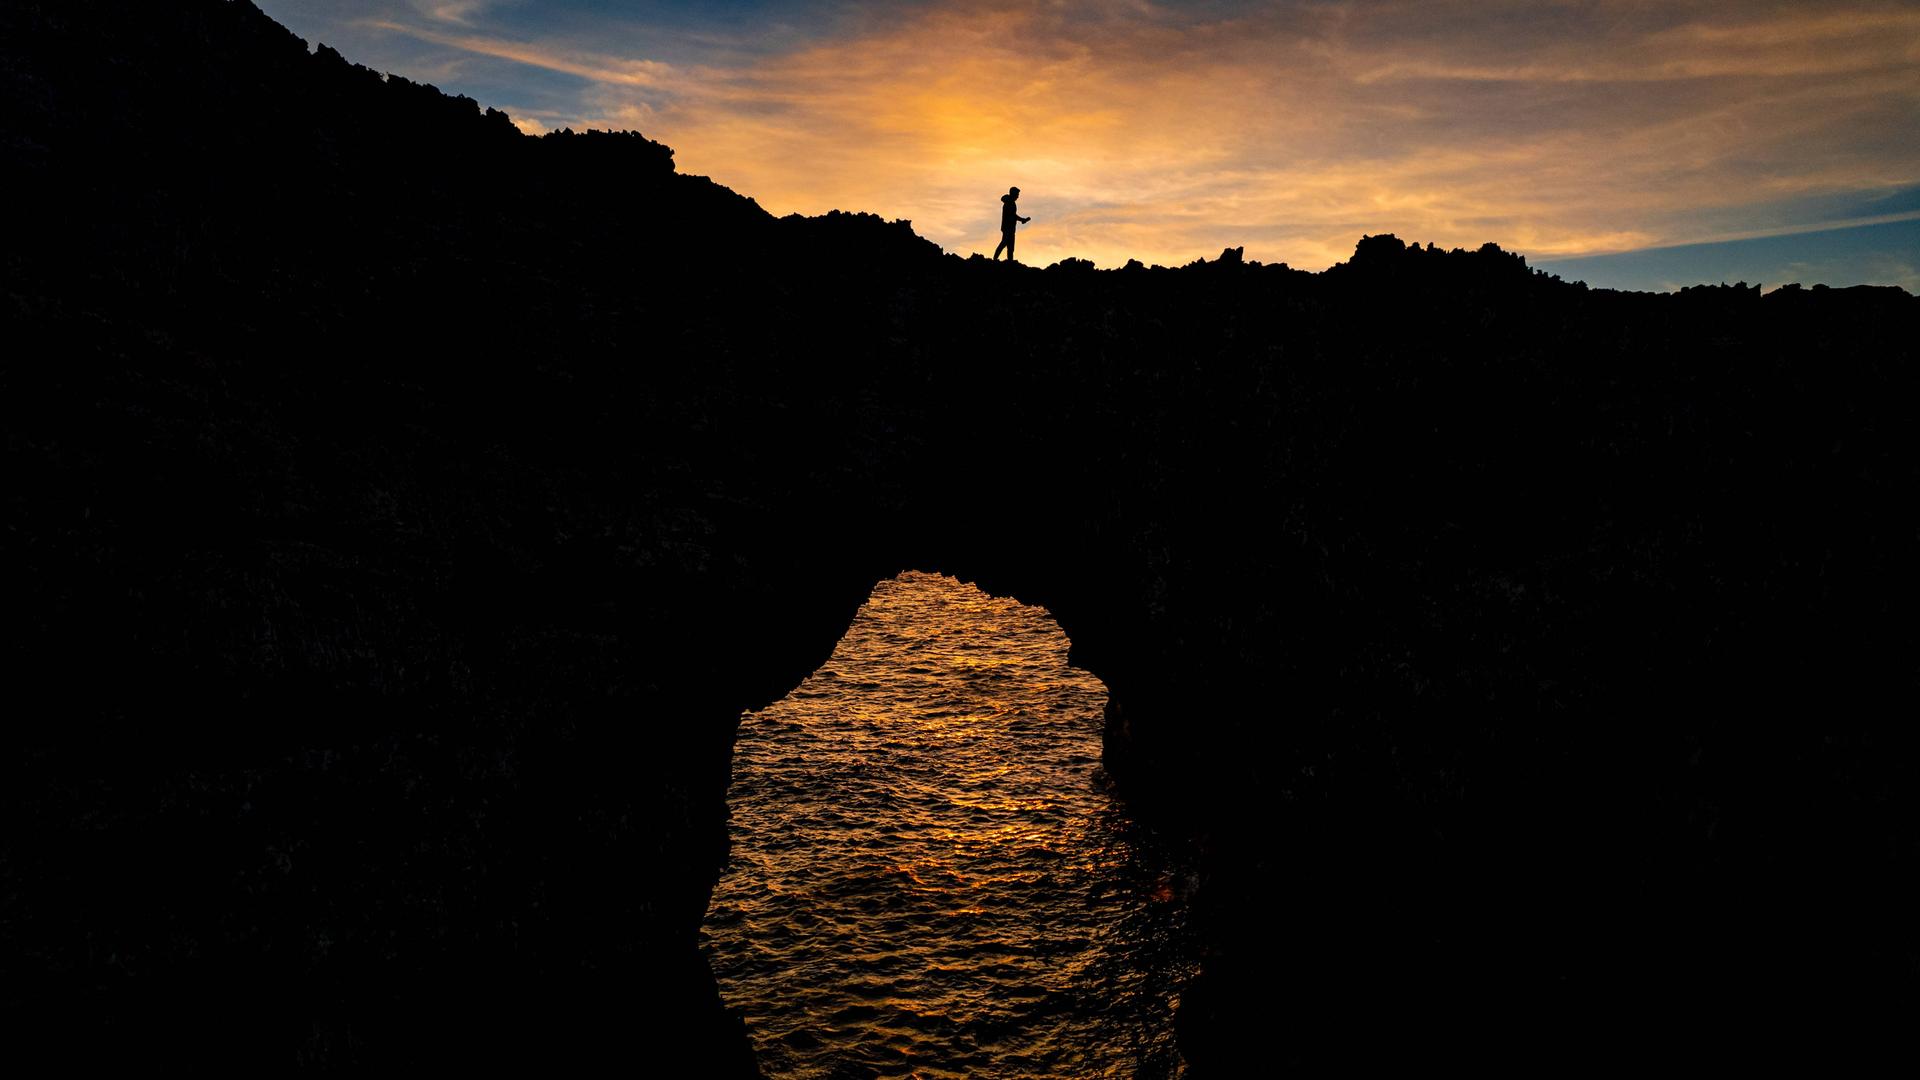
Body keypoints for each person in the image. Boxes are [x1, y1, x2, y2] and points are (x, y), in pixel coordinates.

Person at [992, 186, 1030, 262]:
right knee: (1005, 243)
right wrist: (1022, 219)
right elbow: (1013, 215)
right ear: (1013, 194)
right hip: (1008, 228)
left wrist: (1022, 220)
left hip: (1010, 228)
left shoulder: (1011, 203)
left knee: (1010, 247)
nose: (1018, 196)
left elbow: (1013, 215)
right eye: (1017, 194)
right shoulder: (1010, 203)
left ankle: (1009, 262)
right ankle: (995, 259)